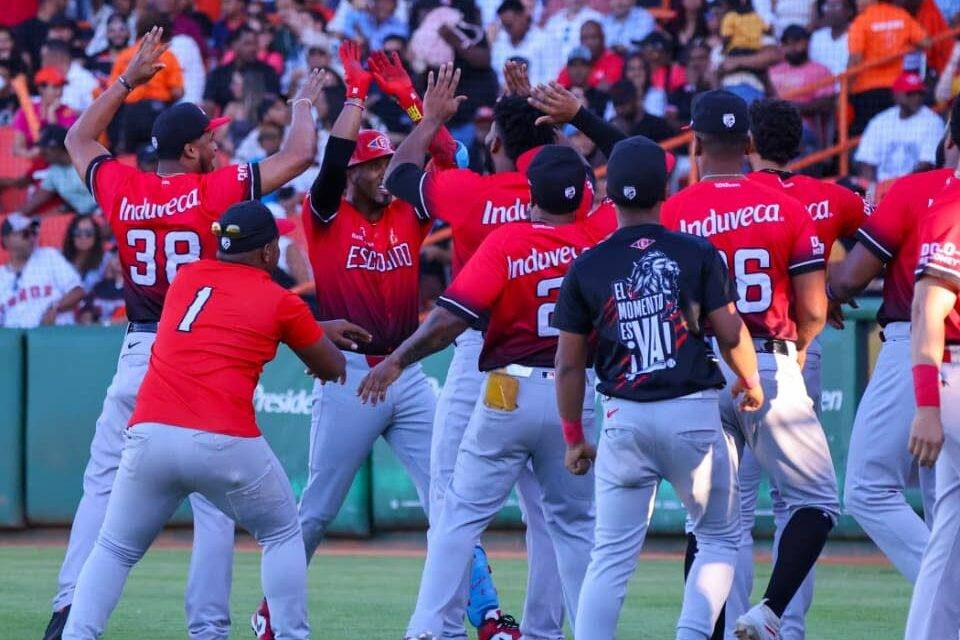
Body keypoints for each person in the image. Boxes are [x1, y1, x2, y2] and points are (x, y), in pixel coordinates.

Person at [42, 27, 329, 640]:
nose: (218, 146)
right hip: (201, 349)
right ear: (193, 150)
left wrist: (126, 80)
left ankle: (68, 610)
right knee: (214, 506)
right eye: (211, 139)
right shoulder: (213, 191)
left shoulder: (124, 187)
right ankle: (208, 628)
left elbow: (76, 138)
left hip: (139, 349)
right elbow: (300, 156)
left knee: (102, 488)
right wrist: (304, 102)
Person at [381, 60, 612, 640]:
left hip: (483, 357)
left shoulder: (472, 194)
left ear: (496, 142)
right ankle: (546, 630)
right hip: (571, 373)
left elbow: (399, 175)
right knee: (559, 520)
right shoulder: (587, 212)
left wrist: (428, 117)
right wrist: (558, 118)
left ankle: (435, 628)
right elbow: (620, 165)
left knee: (452, 501)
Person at [60, 201, 349, 640]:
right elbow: (333, 367)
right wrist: (310, 335)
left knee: (114, 548)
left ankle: (76, 635)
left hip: (151, 434)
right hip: (223, 440)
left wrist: (307, 328)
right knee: (281, 532)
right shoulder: (280, 300)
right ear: (268, 251)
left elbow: (226, 312)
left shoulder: (187, 277)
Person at [248, 40, 436, 640]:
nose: (385, 174)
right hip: (349, 376)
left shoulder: (408, 211)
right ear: (353, 174)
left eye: (387, 164)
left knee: (451, 502)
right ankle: (273, 612)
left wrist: (412, 104)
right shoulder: (325, 212)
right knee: (318, 510)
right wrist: (355, 94)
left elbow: (436, 153)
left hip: (406, 371)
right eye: (373, 166)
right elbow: (329, 164)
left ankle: (481, 613)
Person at [555, 135, 763, 640]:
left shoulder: (588, 264)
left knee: (610, 556)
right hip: (690, 412)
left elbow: (568, 365)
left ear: (610, 194)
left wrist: (573, 437)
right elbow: (731, 332)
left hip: (623, 418)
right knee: (719, 538)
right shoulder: (695, 251)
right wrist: (751, 379)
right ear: (665, 191)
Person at [661, 90, 840, 640]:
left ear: (696, 142)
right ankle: (771, 611)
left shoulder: (675, 211)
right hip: (767, 360)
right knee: (816, 501)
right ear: (749, 143)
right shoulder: (786, 205)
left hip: (699, 373)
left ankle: (707, 632)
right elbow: (815, 308)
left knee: (714, 523)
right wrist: (798, 347)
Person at [738, 98, 869, 640]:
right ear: (801, 146)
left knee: (730, 506)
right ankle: (786, 625)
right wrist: (833, 290)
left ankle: (721, 621)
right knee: (798, 502)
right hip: (794, 347)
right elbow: (885, 239)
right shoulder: (831, 196)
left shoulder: (726, 194)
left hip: (725, 351)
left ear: (749, 142)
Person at [826, 104, 960, 584]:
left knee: (867, 488)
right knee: (946, 508)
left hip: (921, 347)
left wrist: (814, 280)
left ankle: (946, 596)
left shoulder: (917, 189)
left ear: (949, 137)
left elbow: (849, 280)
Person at [901, 146, 960, 640]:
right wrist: (926, 405)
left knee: (951, 536)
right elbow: (927, 309)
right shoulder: (954, 209)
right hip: (955, 368)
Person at [847, 0, 930, 135]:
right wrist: (905, 47)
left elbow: (855, 60)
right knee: (895, 131)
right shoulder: (901, 16)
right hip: (896, 89)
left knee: (868, 134)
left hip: (866, 91)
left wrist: (846, 89)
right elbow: (926, 42)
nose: (857, 3)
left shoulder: (862, 21)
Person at [107, 15, 184, 153]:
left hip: (129, 114)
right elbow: (177, 92)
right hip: (158, 113)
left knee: (129, 158)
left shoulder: (124, 55)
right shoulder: (168, 56)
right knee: (160, 156)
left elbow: (112, 90)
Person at [855, 72, 943, 187]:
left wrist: (899, 187)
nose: (916, 98)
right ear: (896, 96)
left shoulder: (933, 121)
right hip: (882, 186)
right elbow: (867, 160)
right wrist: (871, 190)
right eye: (910, 94)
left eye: (920, 93)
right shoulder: (881, 120)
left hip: (914, 185)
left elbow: (927, 164)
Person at [0, 212, 84, 329]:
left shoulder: (49, 256)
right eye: (25, 234)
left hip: (56, 333)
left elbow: (77, 291)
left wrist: (56, 308)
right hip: (17, 338)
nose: (31, 238)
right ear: (6, 240)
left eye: (34, 233)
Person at [16, 125, 97, 217]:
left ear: (56, 148)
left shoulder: (86, 160)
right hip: (88, 217)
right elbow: (35, 202)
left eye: (44, 149)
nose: (41, 152)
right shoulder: (54, 171)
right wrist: (12, 218)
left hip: (104, 210)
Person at [204, 26, 281, 113]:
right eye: (247, 43)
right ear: (234, 45)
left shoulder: (268, 72)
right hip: (227, 119)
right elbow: (208, 103)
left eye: (255, 43)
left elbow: (273, 100)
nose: (253, 48)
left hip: (259, 118)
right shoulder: (219, 75)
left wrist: (246, 95)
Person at [11, 66, 78, 158]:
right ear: (41, 89)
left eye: (61, 87)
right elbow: (17, 148)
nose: (59, 92)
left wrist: (51, 115)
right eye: (55, 87)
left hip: (60, 163)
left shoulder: (67, 111)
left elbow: (65, 144)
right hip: (33, 162)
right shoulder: (26, 112)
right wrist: (30, 154)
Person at [491, 0, 555, 86]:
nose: (507, 30)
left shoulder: (545, 40)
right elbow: (497, 76)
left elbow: (551, 78)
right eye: (504, 26)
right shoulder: (500, 42)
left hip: (537, 92)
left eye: (509, 25)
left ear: (523, 17)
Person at [557, 20, 624, 91]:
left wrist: (582, 82)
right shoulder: (575, 61)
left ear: (602, 38)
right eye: (585, 38)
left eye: (594, 37)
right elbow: (560, 86)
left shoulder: (614, 60)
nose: (589, 42)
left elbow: (606, 87)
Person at [40, 39, 98, 113]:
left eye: (44, 59)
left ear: (58, 57)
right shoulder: (48, 79)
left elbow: (98, 112)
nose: (42, 64)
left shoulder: (86, 80)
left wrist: (69, 114)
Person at [61, 215, 109, 293]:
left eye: (89, 233)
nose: (83, 237)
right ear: (71, 235)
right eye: (78, 232)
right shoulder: (59, 258)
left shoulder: (106, 260)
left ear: (96, 236)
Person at [809, 0, 853, 77]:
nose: (831, 11)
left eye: (836, 6)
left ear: (849, 11)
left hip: (847, 83)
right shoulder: (817, 37)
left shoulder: (856, 35)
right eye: (827, 7)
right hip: (819, 83)